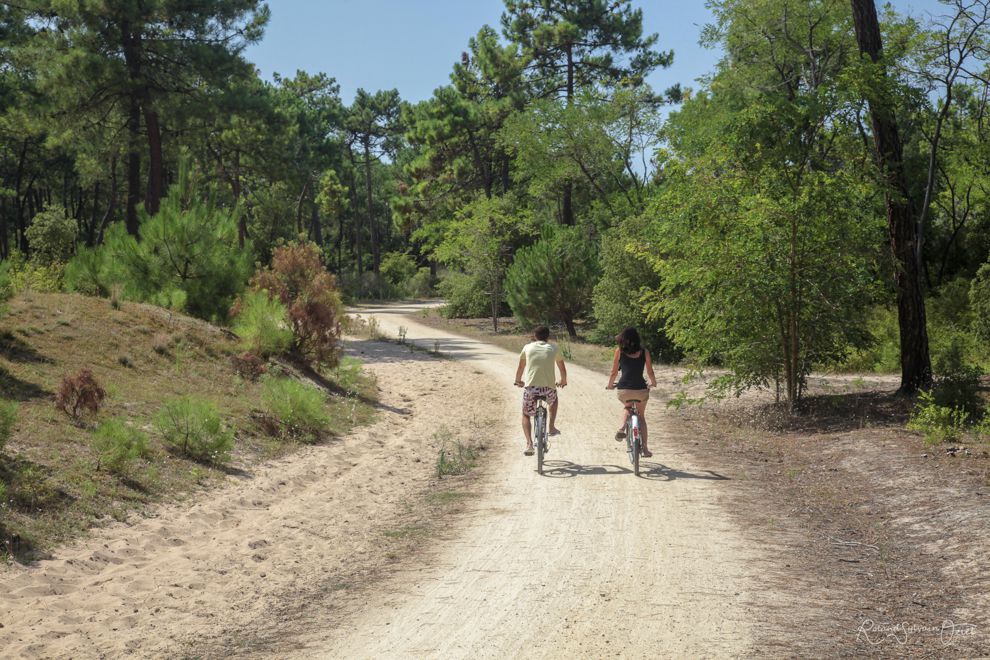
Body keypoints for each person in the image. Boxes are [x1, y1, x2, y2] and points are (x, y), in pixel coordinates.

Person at [513, 325, 567, 456]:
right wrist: (563, 380)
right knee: (553, 400)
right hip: (548, 387)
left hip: (531, 388)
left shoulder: (527, 347)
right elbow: (562, 368)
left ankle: (529, 444)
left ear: (534, 336)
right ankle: (551, 427)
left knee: (526, 414)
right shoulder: (554, 347)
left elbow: (521, 367)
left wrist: (518, 381)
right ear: (548, 337)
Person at [606, 327, 657, 458]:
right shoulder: (644, 352)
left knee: (627, 407)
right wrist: (653, 382)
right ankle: (645, 448)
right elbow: (650, 372)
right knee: (641, 417)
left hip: (624, 390)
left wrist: (610, 385)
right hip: (641, 390)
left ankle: (622, 428)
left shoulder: (619, 351)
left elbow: (614, 372)